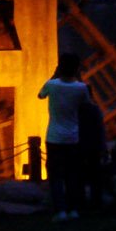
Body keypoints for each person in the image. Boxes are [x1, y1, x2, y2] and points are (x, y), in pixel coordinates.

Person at [37, 52, 89, 220]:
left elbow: (40, 95)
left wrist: (55, 75)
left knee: (55, 175)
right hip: (73, 137)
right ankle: (73, 209)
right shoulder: (81, 88)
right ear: (77, 68)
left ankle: (60, 211)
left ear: (60, 67)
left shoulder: (51, 85)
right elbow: (87, 104)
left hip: (54, 137)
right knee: (72, 174)